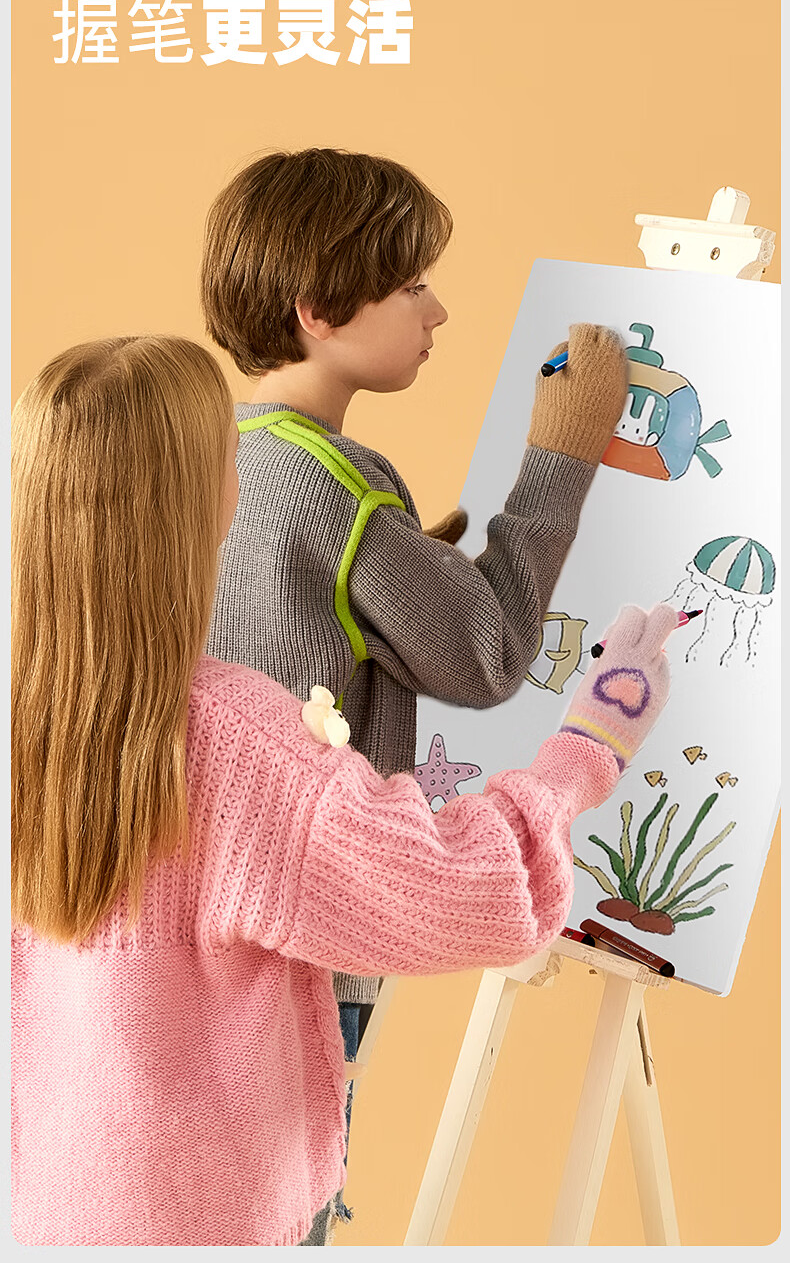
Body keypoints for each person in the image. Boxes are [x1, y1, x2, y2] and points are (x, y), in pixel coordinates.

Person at [11, 335, 673, 1248]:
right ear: (207, 502)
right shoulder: (235, 745)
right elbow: (469, 889)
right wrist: (588, 747)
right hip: (208, 1223)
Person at [201, 147, 630, 1239]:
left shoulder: (217, 457)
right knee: (289, 1210)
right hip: (316, 930)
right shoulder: (338, 488)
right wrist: (560, 459)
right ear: (318, 311)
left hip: (212, 924)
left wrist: (403, 578)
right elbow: (487, 655)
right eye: (409, 286)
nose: (436, 311)